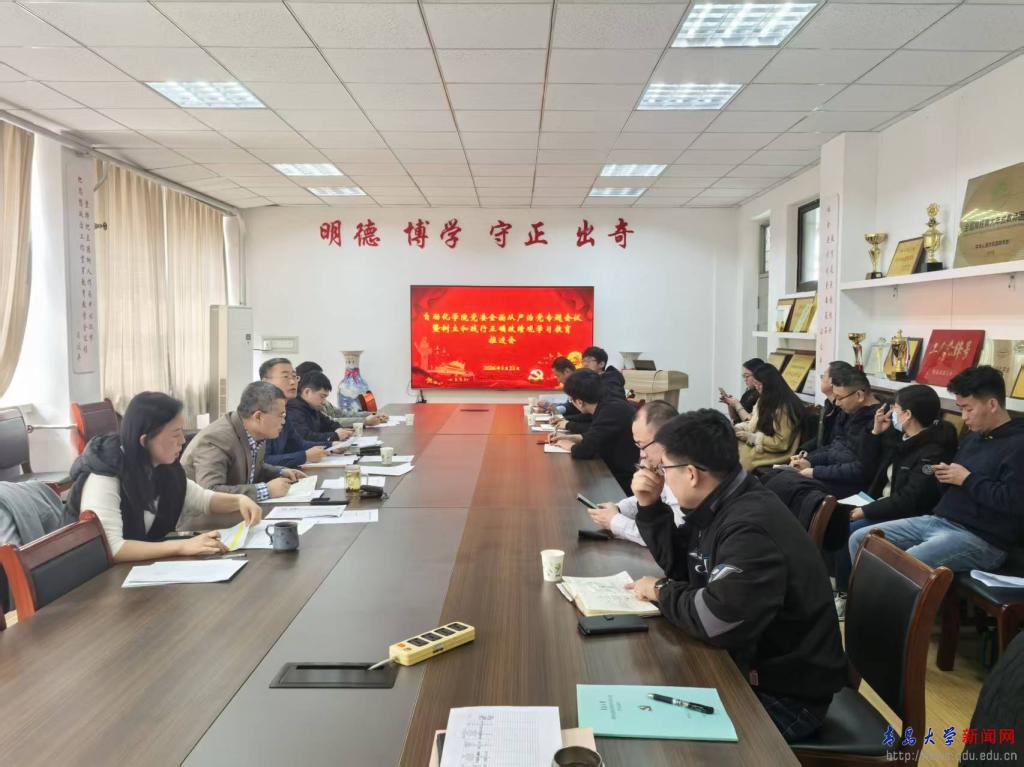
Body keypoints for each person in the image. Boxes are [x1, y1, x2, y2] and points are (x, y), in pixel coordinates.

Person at [626, 409, 846, 742]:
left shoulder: (749, 526)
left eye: (664, 469)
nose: (661, 477)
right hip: (749, 666)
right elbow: (687, 568)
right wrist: (650, 507)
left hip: (786, 697)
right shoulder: (722, 502)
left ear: (691, 474)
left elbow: (716, 620)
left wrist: (661, 590)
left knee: (658, 739)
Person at [848, 366, 1024, 572]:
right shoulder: (974, 437)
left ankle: (877, 594)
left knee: (906, 565)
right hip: (940, 519)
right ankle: (860, 593)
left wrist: (967, 479)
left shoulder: (1018, 445)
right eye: (960, 409)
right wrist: (945, 477)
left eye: (968, 409)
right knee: (861, 539)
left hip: (983, 538)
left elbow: (1015, 501)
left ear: (992, 404)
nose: (964, 417)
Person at [68, 392, 263, 562]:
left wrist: (239, 501)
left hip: (138, 570)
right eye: (175, 434)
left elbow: (202, 499)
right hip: (94, 580)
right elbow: (112, 547)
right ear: (145, 440)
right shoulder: (105, 475)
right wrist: (182, 546)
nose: (183, 440)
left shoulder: (164, 467)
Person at [833, 385, 958, 618]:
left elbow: (910, 500)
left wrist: (865, 511)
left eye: (896, 409)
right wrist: (875, 433)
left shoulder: (933, 451)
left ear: (908, 415)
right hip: (879, 500)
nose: (891, 414)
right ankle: (842, 584)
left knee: (850, 528)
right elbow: (867, 467)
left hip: (906, 513)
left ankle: (849, 596)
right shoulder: (899, 436)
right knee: (835, 514)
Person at [181, 381, 304, 502]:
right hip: (198, 514)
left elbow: (253, 468)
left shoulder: (255, 432)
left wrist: (280, 472)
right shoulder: (217, 439)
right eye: (281, 415)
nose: (283, 421)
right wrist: (266, 490)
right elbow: (210, 492)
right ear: (258, 417)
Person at [588, 400, 682, 545]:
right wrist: (619, 509)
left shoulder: (682, 473)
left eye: (643, 446)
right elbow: (658, 496)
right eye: (638, 446)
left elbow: (670, 537)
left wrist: (615, 522)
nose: (642, 455)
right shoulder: (664, 466)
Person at [790, 367, 880, 498]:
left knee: (791, 486)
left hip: (851, 486)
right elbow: (834, 448)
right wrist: (808, 461)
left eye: (839, 398)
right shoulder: (850, 413)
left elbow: (860, 470)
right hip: (832, 474)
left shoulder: (879, 423)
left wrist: (815, 472)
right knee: (782, 477)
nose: (836, 403)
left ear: (859, 395)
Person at [551, 369, 639, 493]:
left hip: (620, 481)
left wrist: (568, 445)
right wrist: (573, 437)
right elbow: (598, 434)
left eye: (571, 400)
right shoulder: (607, 404)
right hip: (612, 470)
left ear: (579, 402)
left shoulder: (610, 411)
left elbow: (585, 450)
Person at [260, 357, 334, 468]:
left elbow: (298, 443)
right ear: (265, 382)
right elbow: (262, 461)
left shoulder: (284, 410)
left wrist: (331, 445)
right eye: (285, 377)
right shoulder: (260, 413)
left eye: (294, 376)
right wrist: (304, 456)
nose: (293, 382)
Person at [734, 364, 804, 471]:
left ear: (770, 384)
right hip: (764, 443)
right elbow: (753, 424)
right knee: (726, 444)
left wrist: (753, 438)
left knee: (742, 457)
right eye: (755, 383)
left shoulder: (784, 406)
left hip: (778, 452)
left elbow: (782, 443)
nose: (757, 387)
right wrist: (738, 429)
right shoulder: (764, 398)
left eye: (759, 384)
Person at [294, 361, 386, 426]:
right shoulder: (304, 405)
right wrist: (364, 421)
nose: (320, 378)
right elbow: (333, 421)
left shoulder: (321, 400)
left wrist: (372, 414)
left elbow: (342, 414)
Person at [288, 371, 362, 443]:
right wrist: (335, 436)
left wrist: (339, 429)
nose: (324, 402)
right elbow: (305, 437)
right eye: (322, 396)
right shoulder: (294, 410)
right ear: (307, 392)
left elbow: (329, 424)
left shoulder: (312, 408)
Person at [799, 360, 855, 453]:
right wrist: (803, 450)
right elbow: (822, 437)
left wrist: (810, 458)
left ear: (833, 382)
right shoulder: (828, 404)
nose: (821, 379)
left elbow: (834, 444)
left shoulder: (845, 410)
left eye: (823, 376)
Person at [719, 357, 763, 424]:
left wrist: (737, 404)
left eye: (747, 376)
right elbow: (736, 419)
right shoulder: (748, 393)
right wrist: (730, 405)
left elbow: (751, 423)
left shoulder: (762, 395)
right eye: (743, 376)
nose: (745, 379)